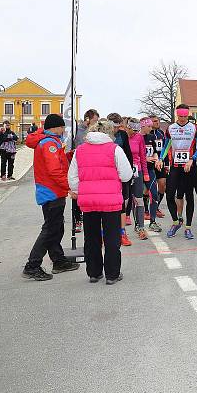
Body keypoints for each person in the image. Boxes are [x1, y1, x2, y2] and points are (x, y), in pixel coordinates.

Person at [68, 118, 133, 284]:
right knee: (112, 238)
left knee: (91, 238)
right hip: (110, 200)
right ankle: (112, 274)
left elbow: (73, 176)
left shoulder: (80, 150)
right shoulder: (115, 149)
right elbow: (126, 175)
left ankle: (94, 273)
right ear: (110, 132)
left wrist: (78, 190)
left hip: (88, 201)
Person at [22, 114, 80, 280]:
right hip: (51, 191)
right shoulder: (49, 143)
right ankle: (32, 265)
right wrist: (70, 187)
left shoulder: (50, 142)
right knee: (50, 230)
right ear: (56, 127)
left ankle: (58, 260)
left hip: (52, 191)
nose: (63, 130)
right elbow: (54, 170)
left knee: (56, 228)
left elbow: (57, 164)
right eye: (62, 127)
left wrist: (68, 155)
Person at [157, 104, 197, 240]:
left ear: (188, 115)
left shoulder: (194, 128)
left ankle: (188, 227)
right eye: (180, 116)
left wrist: (192, 159)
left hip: (190, 167)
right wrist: (161, 158)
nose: (183, 119)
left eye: (185, 116)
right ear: (177, 115)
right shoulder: (171, 128)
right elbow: (166, 146)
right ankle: (176, 222)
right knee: (170, 195)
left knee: (189, 196)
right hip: (175, 167)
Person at [125, 118, 149, 241]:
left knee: (139, 200)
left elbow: (143, 156)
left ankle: (140, 227)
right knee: (125, 200)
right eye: (132, 130)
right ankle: (121, 230)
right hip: (124, 171)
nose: (134, 132)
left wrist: (145, 173)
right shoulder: (122, 136)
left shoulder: (139, 138)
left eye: (136, 130)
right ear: (127, 127)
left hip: (137, 170)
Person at [140, 118, 162, 231]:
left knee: (154, 194)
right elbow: (133, 155)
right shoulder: (137, 138)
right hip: (139, 170)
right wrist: (144, 159)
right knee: (137, 197)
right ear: (143, 126)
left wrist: (156, 159)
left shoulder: (152, 137)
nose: (151, 128)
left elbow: (155, 151)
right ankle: (138, 224)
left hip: (150, 170)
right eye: (148, 126)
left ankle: (152, 221)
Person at [149, 115, 167, 219]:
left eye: (157, 121)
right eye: (154, 121)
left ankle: (156, 207)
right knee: (148, 189)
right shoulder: (147, 134)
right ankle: (147, 209)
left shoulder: (161, 133)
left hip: (160, 162)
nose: (157, 123)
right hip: (150, 162)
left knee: (162, 184)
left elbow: (165, 148)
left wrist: (166, 163)